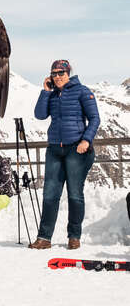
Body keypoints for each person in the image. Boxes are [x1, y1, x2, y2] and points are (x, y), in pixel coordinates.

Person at [29, 60, 100, 250]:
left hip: (76, 149)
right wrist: (45, 92)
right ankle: (44, 238)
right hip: (54, 149)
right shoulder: (51, 94)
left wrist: (86, 140)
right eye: (54, 73)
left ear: (69, 73)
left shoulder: (82, 91)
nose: (58, 76)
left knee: (75, 194)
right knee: (50, 194)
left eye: (61, 72)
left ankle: (74, 236)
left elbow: (94, 118)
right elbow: (40, 115)